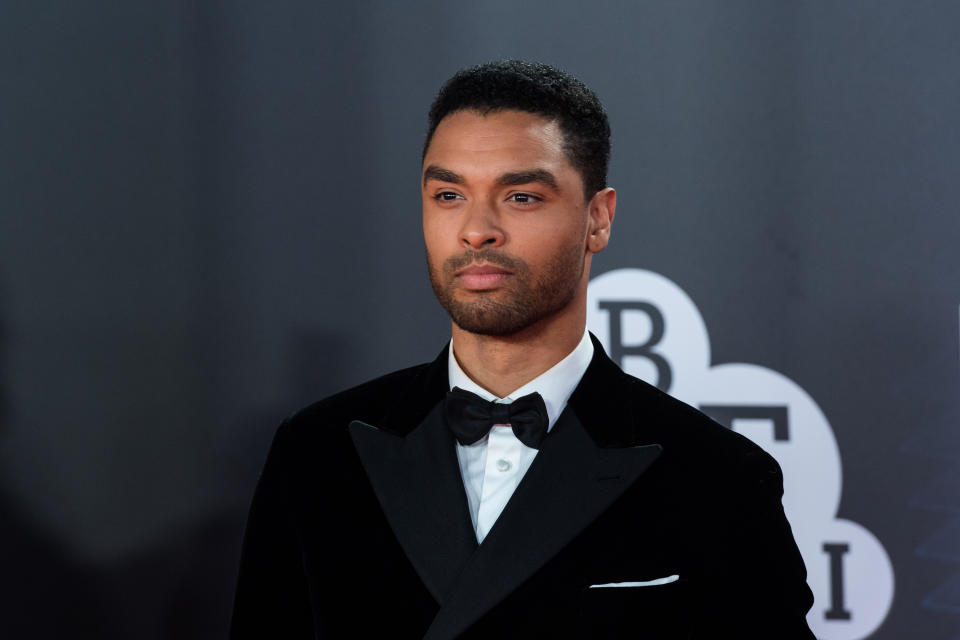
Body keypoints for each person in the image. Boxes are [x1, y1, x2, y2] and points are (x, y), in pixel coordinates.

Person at [230, 59, 815, 639]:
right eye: (449, 194)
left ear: (598, 220)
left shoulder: (717, 479)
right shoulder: (317, 453)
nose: (477, 229)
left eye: (521, 197)